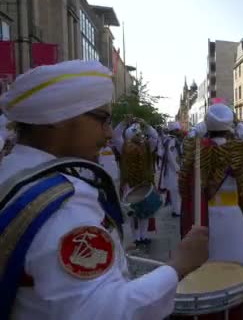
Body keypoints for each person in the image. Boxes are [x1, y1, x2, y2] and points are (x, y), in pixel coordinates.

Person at [0, 60, 209, 320]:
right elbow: (105, 312)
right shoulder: (66, 207)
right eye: (103, 119)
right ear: (59, 117)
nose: (109, 133)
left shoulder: (11, 171)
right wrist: (178, 266)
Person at [180, 104, 243, 266]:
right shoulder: (239, 149)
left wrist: (202, 125)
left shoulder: (197, 150)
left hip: (205, 214)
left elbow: (189, 139)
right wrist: (238, 122)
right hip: (232, 214)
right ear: (229, 126)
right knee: (234, 263)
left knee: (209, 262)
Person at [113, 120, 159, 246]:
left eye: (140, 133)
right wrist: (123, 123)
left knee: (145, 211)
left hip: (143, 183)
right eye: (137, 134)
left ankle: (142, 237)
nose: (140, 136)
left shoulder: (147, 145)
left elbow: (155, 136)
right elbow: (115, 135)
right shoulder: (123, 145)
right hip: (130, 184)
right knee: (134, 213)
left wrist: (146, 125)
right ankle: (137, 238)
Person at [159, 121, 182, 217]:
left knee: (174, 191)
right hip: (173, 170)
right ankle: (177, 211)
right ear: (174, 131)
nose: (179, 131)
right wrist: (177, 169)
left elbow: (161, 153)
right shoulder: (172, 141)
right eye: (178, 130)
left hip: (171, 169)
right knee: (176, 191)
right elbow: (171, 156)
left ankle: (175, 210)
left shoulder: (167, 140)